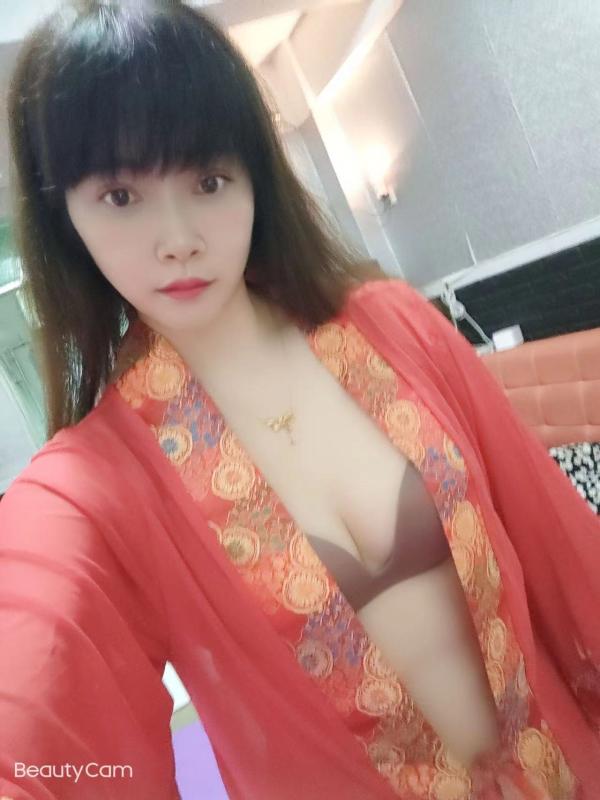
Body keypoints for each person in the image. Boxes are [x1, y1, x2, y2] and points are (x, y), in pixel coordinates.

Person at [0, 1, 599, 798]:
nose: (178, 237)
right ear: (64, 216)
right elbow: (32, 706)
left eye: (208, 180)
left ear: (255, 179)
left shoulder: (394, 324)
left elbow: (556, 536)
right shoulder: (91, 486)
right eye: (119, 195)